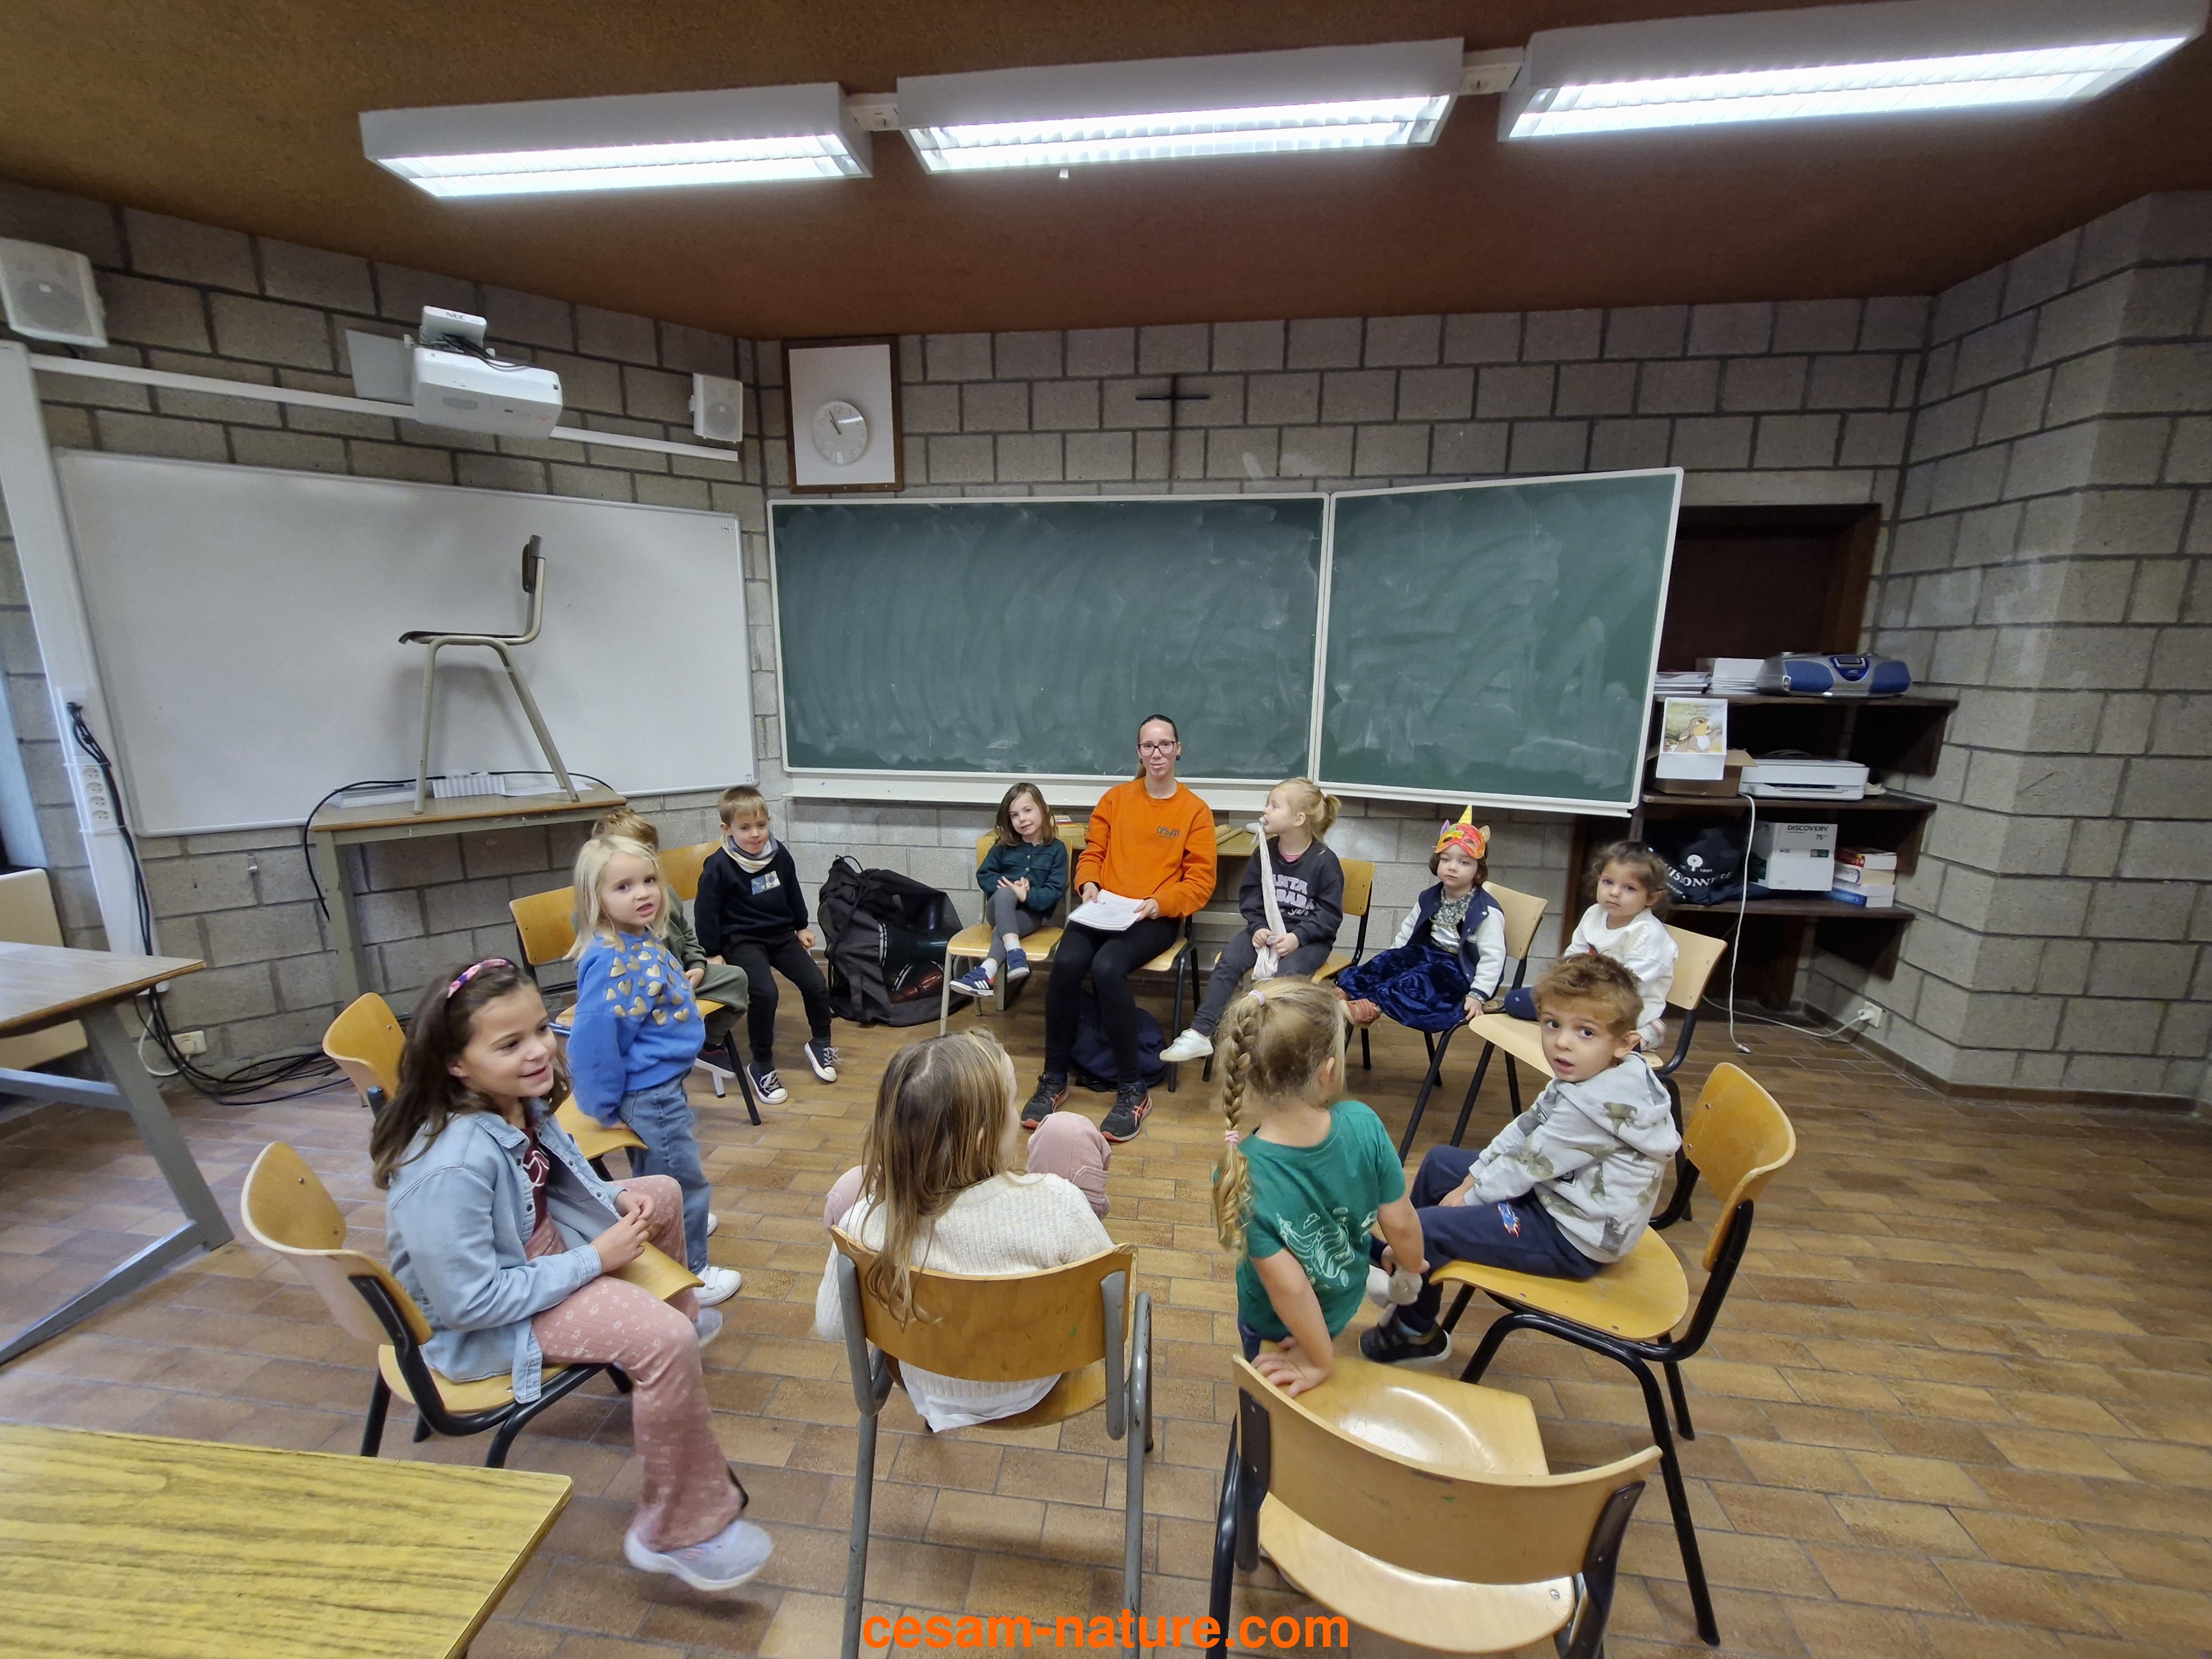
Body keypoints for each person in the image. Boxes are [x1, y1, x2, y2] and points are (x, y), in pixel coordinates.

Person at [373, 958, 773, 1592]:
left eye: (539, 1030)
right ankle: (674, 1531)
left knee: (661, 1194)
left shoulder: (515, 1101)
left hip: (535, 1252)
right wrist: (597, 1259)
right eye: (509, 1044)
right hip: (492, 1323)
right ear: (455, 1063)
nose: (538, 1051)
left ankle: (664, 1363)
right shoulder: (450, 1167)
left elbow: (555, 1180)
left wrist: (614, 1199)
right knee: (663, 1340)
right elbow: (470, 1304)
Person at [1361, 954, 1681, 1364]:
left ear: (1624, 1043)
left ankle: (1414, 1329)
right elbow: (1526, 1129)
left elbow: (1524, 1166)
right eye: (1553, 1024)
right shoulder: (1591, 1073)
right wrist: (1472, 1178)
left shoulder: (1594, 1106)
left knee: (1432, 1227)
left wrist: (1469, 1199)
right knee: (1441, 1164)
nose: (1562, 1042)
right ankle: (1409, 1271)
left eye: (1586, 1032)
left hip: (1572, 1238)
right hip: (1556, 1195)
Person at [811, 1028, 1115, 1432]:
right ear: (982, 1139)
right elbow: (1114, 1308)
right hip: (1036, 1380)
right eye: (1011, 1102)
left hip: (930, 1380)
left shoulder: (863, 1223)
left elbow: (833, 1325)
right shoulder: (1057, 1203)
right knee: (1069, 1134)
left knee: (851, 1185)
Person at [1213, 979, 1426, 1397]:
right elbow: (1401, 1220)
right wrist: (1411, 1264)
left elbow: (1289, 1288)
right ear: (1328, 1071)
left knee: (1269, 1407)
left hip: (1275, 1325)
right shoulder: (1364, 1123)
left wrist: (1317, 1359)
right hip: (1337, 1305)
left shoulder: (1240, 1171)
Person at [1022, 715, 1216, 1144]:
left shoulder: (1195, 811)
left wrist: (1160, 903)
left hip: (1154, 917)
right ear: (1139, 752)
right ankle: (1054, 1078)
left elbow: (1200, 884)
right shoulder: (1115, 799)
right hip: (1105, 909)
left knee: (1108, 967)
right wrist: (1089, 883)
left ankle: (1132, 1090)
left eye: (1165, 745)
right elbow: (1093, 853)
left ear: (1179, 749)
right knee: (1067, 961)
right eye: (1148, 746)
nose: (1157, 753)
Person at [565, 834, 740, 1306]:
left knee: (662, 1174)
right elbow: (594, 1043)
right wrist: (602, 1106)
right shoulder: (615, 959)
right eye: (623, 887)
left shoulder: (637, 937)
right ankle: (691, 1272)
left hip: (661, 1085)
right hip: (650, 1093)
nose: (643, 893)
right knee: (680, 1180)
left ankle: (679, 1225)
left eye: (648, 881)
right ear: (595, 898)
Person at [1162, 778, 1345, 1064]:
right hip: (1266, 930)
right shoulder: (1265, 852)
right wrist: (1258, 926)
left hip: (1308, 939)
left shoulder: (1324, 861)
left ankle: (1268, 1043)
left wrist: (1298, 937)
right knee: (1229, 962)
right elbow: (1251, 896)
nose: (1265, 811)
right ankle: (1200, 1033)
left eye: (1274, 806)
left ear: (1299, 819)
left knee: (1286, 977)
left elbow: (1329, 915)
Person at [693, 785, 838, 1107]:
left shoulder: (778, 854)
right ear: (727, 829)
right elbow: (706, 912)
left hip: (780, 935)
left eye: (761, 825)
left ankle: (821, 1043)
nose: (756, 834)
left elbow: (792, 889)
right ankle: (761, 1065)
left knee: (816, 984)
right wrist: (712, 951)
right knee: (765, 994)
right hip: (741, 940)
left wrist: (801, 925)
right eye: (745, 828)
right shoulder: (718, 865)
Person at [592, 807, 750, 1065]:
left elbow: (687, 934)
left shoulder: (665, 895)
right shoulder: (598, 917)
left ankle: (709, 1044)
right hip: (639, 992)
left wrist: (697, 965)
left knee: (737, 978)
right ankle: (671, 1042)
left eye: (650, 852)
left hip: (680, 978)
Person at [1333, 810, 1505, 1033]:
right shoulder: (1430, 896)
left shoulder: (1486, 912)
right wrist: (1393, 959)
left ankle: (1375, 1006)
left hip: (1459, 970)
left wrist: (1478, 994)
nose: (1452, 867)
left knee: (1417, 980)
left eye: (1464, 862)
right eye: (1446, 859)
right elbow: (1408, 930)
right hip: (1427, 952)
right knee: (1387, 961)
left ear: (1478, 870)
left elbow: (1493, 959)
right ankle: (1347, 991)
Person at [1503, 842, 1677, 1051]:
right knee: (1516, 1001)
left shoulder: (1649, 935)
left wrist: (1578, 1001)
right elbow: (1572, 959)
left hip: (1623, 1007)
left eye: (1629, 888)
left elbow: (1631, 989)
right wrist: (1559, 988)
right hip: (1582, 997)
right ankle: (1574, 1025)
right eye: (1608, 882)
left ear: (1651, 898)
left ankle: (1648, 1032)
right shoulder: (1594, 913)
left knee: (1596, 1034)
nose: (1615, 892)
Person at [948, 781, 1070, 1002]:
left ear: (1044, 809)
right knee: (1006, 894)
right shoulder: (1004, 846)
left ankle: (986, 972)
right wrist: (1012, 889)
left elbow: (1054, 892)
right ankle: (1015, 953)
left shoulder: (1057, 850)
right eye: (1014, 815)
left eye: (1028, 810)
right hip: (998, 909)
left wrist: (1026, 896)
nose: (1022, 819)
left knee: (1004, 931)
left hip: (1031, 916)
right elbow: (985, 874)